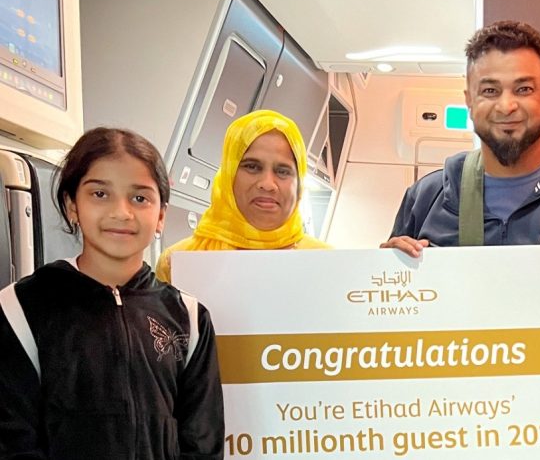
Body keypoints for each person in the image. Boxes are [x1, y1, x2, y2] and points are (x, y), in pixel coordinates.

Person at [381, 20, 540, 415]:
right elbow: (393, 334)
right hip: (448, 422)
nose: (506, 105)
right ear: (469, 100)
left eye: (523, 89)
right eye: (490, 90)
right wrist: (387, 279)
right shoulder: (426, 198)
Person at [0, 127, 224, 458]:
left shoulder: (189, 318)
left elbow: (203, 444)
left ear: (161, 215)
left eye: (140, 198)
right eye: (100, 194)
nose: (121, 212)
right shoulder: (20, 309)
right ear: (72, 205)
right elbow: (13, 441)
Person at [156, 109, 329, 283]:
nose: (267, 184)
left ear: (299, 184)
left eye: (283, 171)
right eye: (252, 167)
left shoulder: (327, 266)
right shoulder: (178, 263)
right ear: (229, 175)